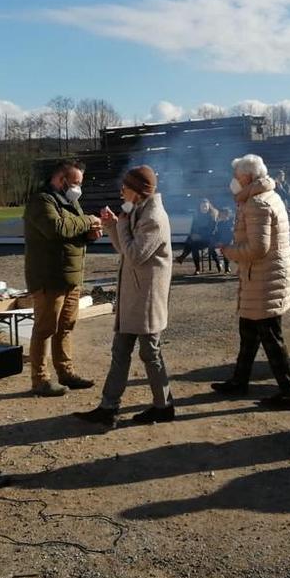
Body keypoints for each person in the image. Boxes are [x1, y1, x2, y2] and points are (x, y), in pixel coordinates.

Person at [74, 166, 175, 428]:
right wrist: (112, 225)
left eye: (126, 187)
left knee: (150, 353)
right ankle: (108, 408)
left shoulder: (153, 218)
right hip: (134, 297)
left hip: (146, 299)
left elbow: (135, 255)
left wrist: (120, 223)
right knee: (120, 351)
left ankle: (164, 406)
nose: (122, 191)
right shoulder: (138, 211)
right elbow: (124, 248)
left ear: (138, 191)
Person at [211, 154, 290, 410]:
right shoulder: (266, 196)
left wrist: (228, 250)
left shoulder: (257, 204)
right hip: (263, 276)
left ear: (248, 177)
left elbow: (258, 248)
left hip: (265, 278)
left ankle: (289, 393)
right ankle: (239, 381)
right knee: (249, 333)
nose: (233, 181)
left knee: (271, 337)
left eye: (237, 176)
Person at [23, 160, 101, 396]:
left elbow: (72, 231)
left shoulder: (70, 202)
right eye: (75, 182)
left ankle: (66, 373)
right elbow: (57, 228)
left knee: (66, 327)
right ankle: (40, 380)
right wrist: (89, 220)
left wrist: (89, 235)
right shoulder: (41, 201)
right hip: (49, 278)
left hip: (71, 278)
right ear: (61, 179)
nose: (78, 188)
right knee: (45, 329)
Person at [175, 199, 218, 274]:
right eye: (202, 206)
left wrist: (200, 236)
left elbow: (211, 231)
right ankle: (197, 269)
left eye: (205, 206)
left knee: (192, 243)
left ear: (209, 207)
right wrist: (193, 235)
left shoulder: (212, 216)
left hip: (208, 239)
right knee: (193, 245)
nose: (204, 208)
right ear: (199, 207)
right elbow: (192, 228)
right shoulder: (197, 216)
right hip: (198, 239)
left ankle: (182, 257)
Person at [214, 207, 234, 273]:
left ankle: (226, 267)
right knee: (211, 249)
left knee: (226, 249)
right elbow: (217, 234)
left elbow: (231, 235)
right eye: (221, 214)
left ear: (227, 215)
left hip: (229, 242)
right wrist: (217, 241)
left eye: (224, 214)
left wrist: (223, 242)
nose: (222, 216)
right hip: (220, 242)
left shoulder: (231, 223)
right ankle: (219, 263)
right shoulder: (219, 224)